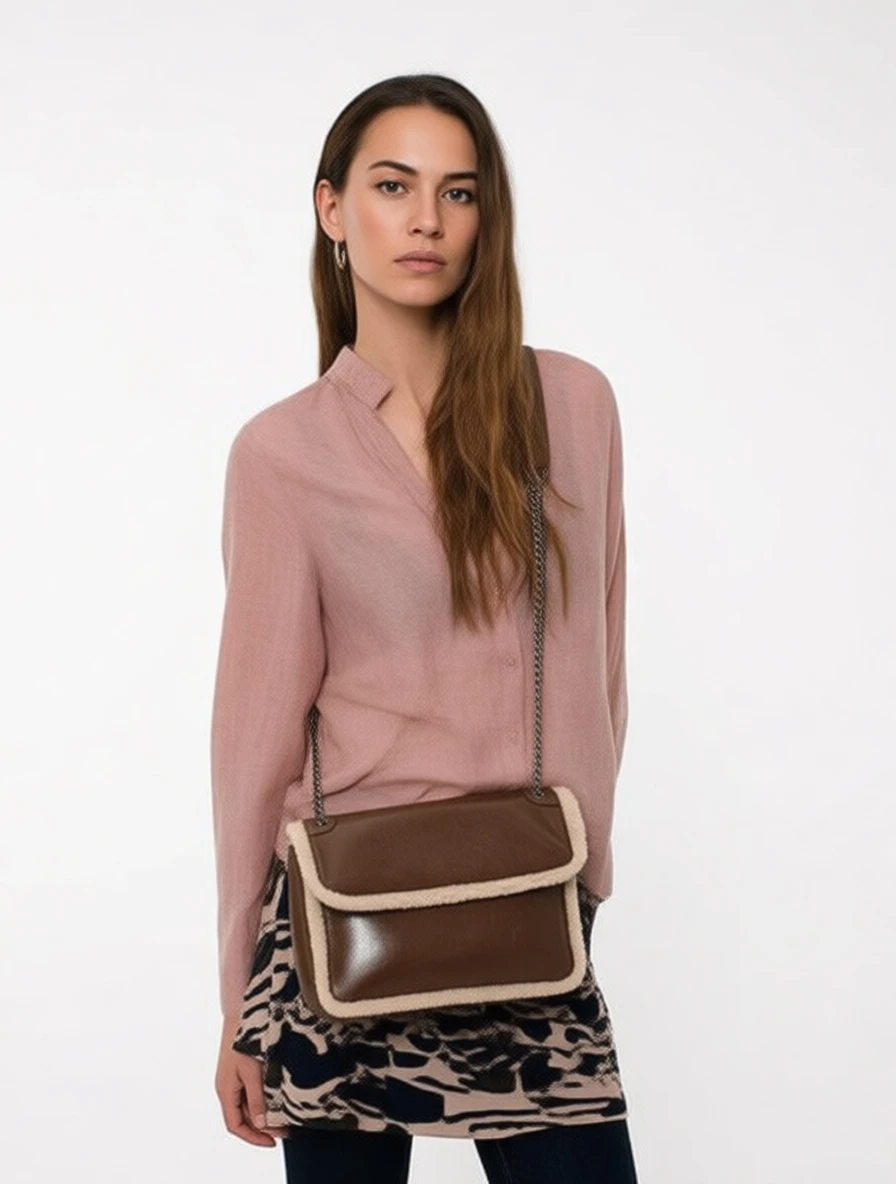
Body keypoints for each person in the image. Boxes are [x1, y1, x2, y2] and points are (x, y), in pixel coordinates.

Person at [210, 72, 638, 1184]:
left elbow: (599, 657)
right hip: (339, 930)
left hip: (524, 905)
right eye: (392, 186)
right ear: (332, 210)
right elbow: (253, 745)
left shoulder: (571, 406)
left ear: (486, 217)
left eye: (459, 191)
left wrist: (584, 876)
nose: (426, 220)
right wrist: (241, 997)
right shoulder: (283, 454)